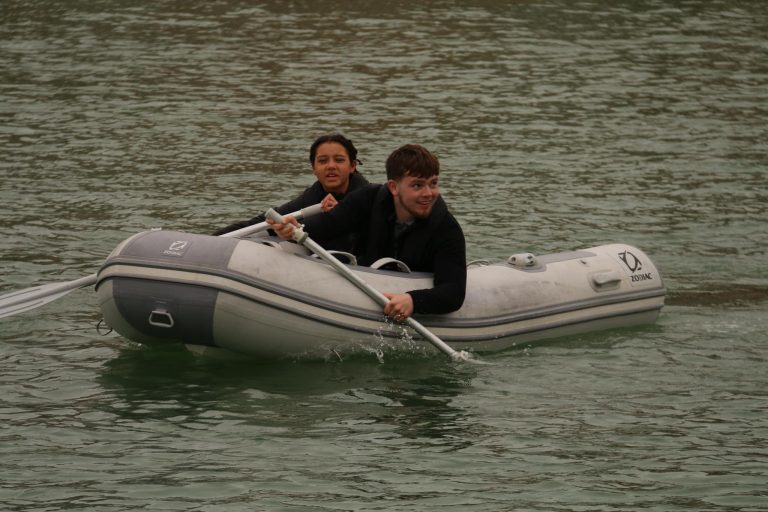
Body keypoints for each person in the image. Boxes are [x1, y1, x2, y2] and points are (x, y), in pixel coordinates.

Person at [269, 144, 466, 320]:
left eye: (433, 183)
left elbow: (453, 292)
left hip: (408, 292)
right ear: (393, 187)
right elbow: (329, 225)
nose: (428, 193)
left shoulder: (446, 229)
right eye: (417, 185)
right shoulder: (368, 199)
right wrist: (293, 230)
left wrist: (413, 300)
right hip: (365, 285)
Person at [213, 134, 369, 252]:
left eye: (339, 160)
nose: (331, 166)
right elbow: (263, 222)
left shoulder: (368, 195)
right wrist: (210, 239)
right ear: (313, 168)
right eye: (322, 161)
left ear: (352, 166)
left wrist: (338, 215)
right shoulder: (313, 196)